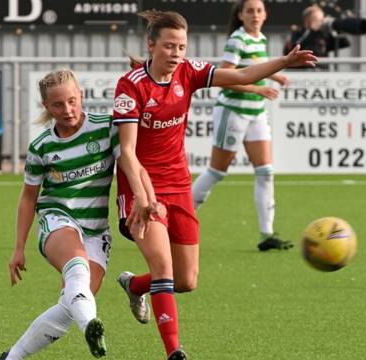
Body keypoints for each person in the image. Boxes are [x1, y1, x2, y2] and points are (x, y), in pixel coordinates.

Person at [112, 9, 316, 360]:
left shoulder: (189, 73)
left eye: (181, 46)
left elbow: (243, 74)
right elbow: (127, 153)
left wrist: (284, 60)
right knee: (163, 268)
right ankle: (174, 351)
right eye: (168, 46)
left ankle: (134, 284)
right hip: (140, 188)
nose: (176, 53)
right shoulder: (130, 86)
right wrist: (144, 199)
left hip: (178, 184)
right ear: (151, 45)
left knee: (186, 280)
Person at [0, 68, 151, 360]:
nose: (67, 110)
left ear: (81, 96)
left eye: (71, 101)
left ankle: (10, 357)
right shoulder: (42, 146)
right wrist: (18, 248)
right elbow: (29, 197)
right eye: (57, 104)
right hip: (58, 219)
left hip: (96, 229)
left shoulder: (106, 128)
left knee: (72, 304)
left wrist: (144, 197)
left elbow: (131, 162)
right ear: (46, 107)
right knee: (78, 270)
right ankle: (91, 326)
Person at [192, 0, 293, 252]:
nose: (255, 15)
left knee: (266, 171)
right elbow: (225, 78)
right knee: (217, 172)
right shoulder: (238, 40)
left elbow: (253, 66)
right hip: (233, 112)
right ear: (240, 15)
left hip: (255, 113)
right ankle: (175, 221)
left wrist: (273, 74)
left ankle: (267, 234)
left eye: (259, 10)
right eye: (250, 11)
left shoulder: (259, 38)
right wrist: (258, 87)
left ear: (265, 14)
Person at [284, 4, 350, 70]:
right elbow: (296, 48)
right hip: (302, 73)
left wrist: (335, 26)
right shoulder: (299, 33)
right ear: (309, 21)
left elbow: (345, 43)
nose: (322, 22)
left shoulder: (323, 35)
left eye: (322, 19)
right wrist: (312, 31)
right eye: (319, 20)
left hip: (321, 73)